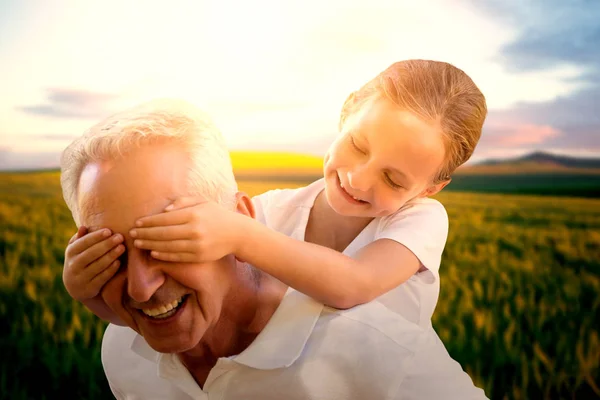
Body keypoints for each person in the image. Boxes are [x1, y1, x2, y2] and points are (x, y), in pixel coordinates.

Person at [60, 100, 488, 399]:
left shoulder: (379, 353)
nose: (139, 288)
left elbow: (353, 283)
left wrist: (243, 237)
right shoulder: (123, 353)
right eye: (108, 252)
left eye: (168, 239)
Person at [63, 59, 487, 328]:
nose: (358, 179)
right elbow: (167, 308)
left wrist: (241, 236)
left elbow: (353, 285)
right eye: (357, 146)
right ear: (345, 113)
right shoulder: (273, 210)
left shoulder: (421, 220)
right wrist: (91, 292)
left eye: (394, 180)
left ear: (430, 188)